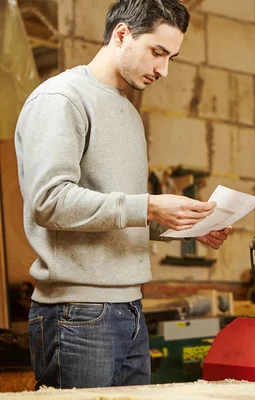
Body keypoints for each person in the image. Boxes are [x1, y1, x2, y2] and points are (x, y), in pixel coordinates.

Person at [15, 0, 232, 389]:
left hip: (130, 309)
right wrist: (149, 205)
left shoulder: (127, 112)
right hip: (77, 313)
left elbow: (117, 213)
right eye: (157, 52)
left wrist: (178, 226)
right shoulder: (62, 99)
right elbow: (49, 202)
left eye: (171, 57)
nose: (163, 70)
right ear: (121, 35)